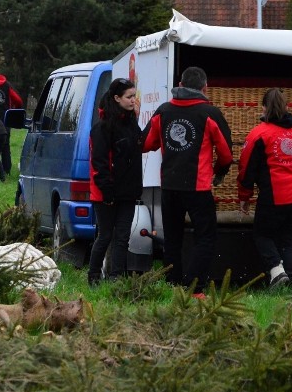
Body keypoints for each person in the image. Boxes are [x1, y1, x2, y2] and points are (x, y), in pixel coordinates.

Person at [142, 66, 233, 295]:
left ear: (180, 86)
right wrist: (219, 171)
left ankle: (172, 286)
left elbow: (144, 144)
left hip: (169, 186)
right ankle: (195, 289)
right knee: (206, 238)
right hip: (198, 188)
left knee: (172, 239)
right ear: (205, 88)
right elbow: (226, 154)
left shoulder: (163, 111)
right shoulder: (210, 113)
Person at [237, 88, 292, 287]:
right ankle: (286, 281)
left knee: (262, 235)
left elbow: (246, 170)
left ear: (264, 108)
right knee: (288, 240)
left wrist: (244, 196)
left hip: (275, 197)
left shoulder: (259, 134)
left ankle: (276, 270)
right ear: (287, 106)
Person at [87, 78, 144, 286]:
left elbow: (137, 150)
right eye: (129, 97)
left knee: (122, 237)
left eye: (134, 96)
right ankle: (93, 277)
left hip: (128, 191)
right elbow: (99, 162)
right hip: (106, 193)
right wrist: (107, 191)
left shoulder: (131, 124)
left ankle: (116, 278)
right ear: (117, 98)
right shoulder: (102, 128)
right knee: (105, 235)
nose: (132, 101)